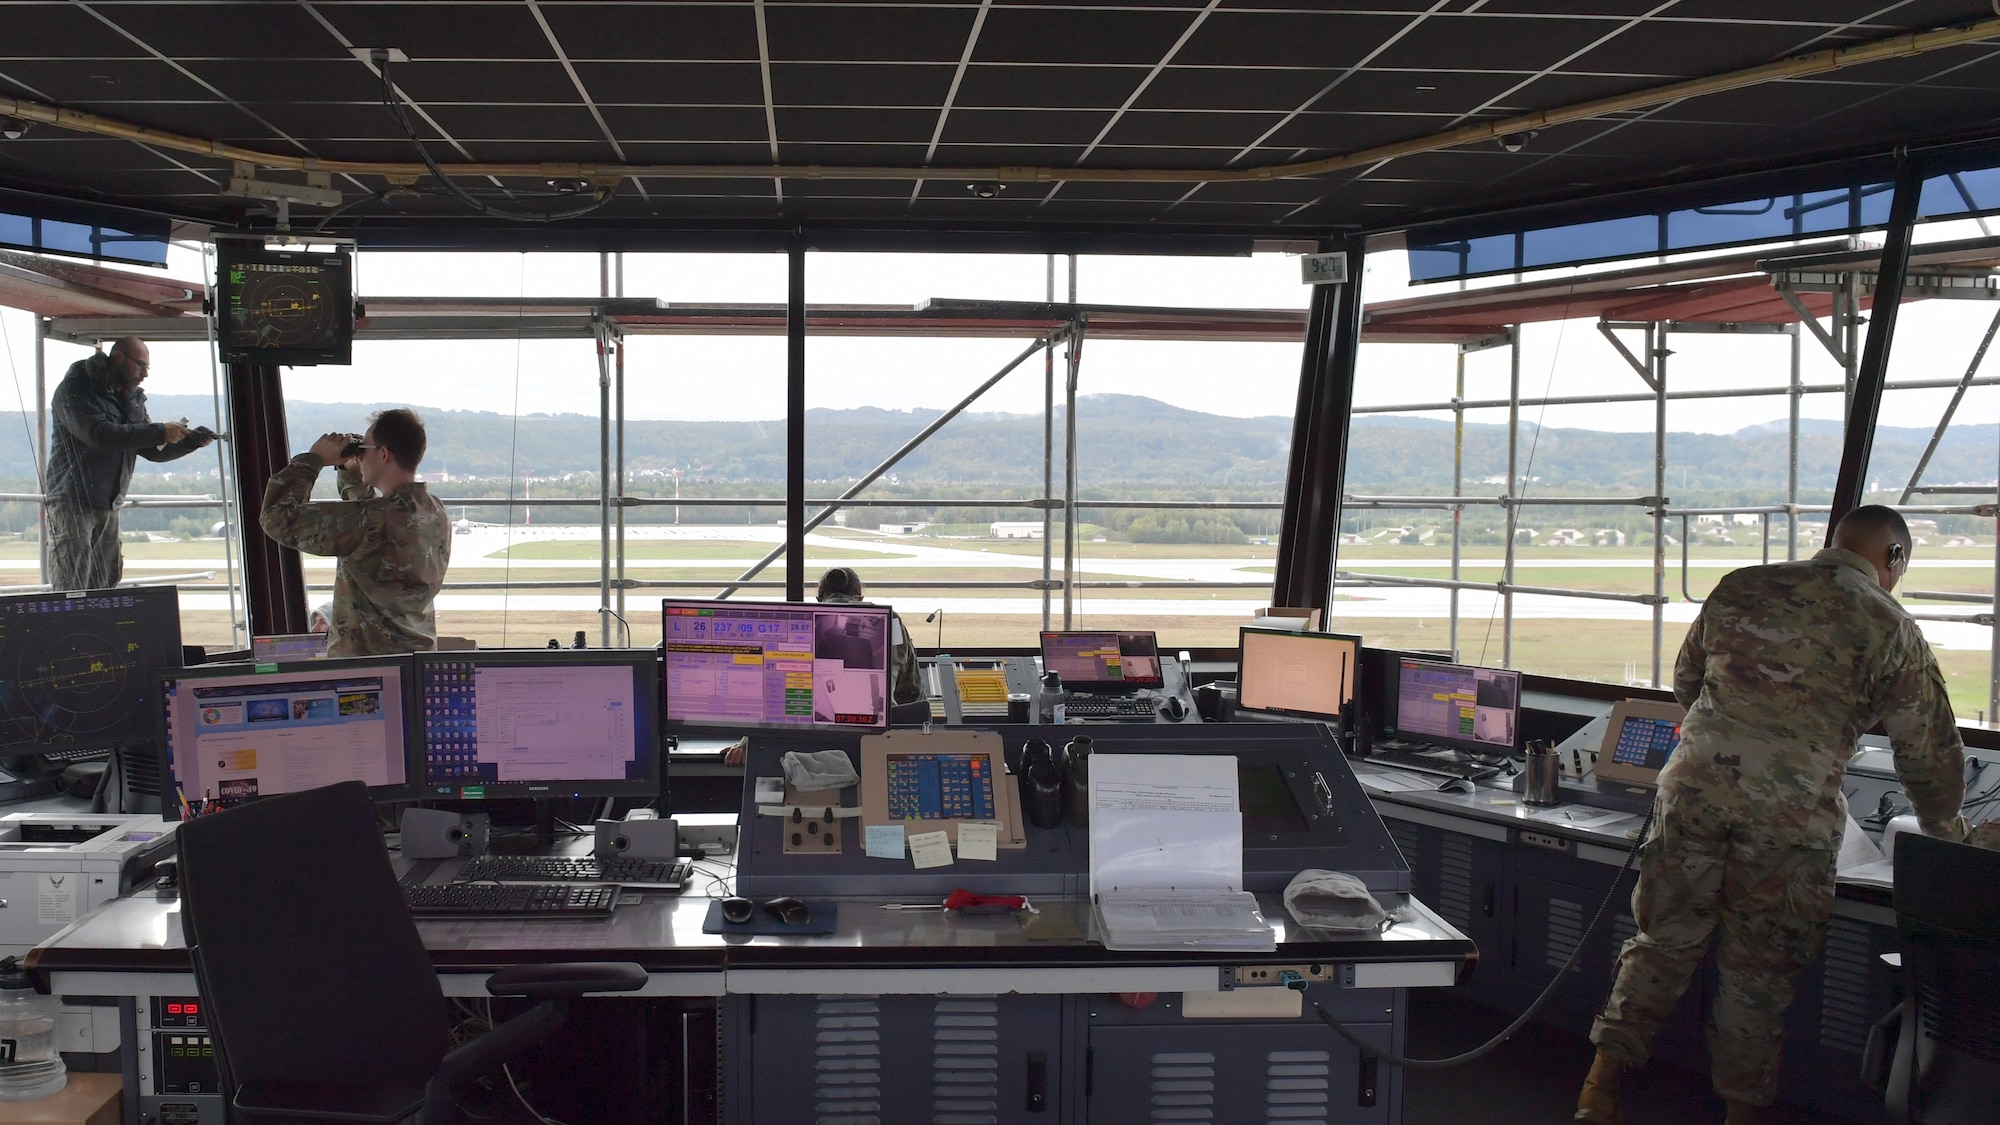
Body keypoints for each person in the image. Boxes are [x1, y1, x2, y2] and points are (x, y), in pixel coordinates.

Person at [1576, 505, 1969, 1125]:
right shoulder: (1890, 625)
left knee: (1660, 943)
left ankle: (1599, 1093)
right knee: (1756, 973)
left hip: (1693, 792)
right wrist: (1952, 842)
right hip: (1789, 818)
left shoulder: (1741, 586)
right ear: (1893, 559)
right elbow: (1929, 756)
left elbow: (1687, 686)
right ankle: (1739, 1113)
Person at [259, 409, 450, 657]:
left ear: (383, 454)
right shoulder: (435, 511)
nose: (362, 455)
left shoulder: (370, 519)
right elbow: (372, 521)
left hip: (368, 669)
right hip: (417, 659)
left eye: (366, 449)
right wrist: (352, 470)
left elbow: (276, 517)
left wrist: (312, 460)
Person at [43, 337, 213, 590]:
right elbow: (99, 435)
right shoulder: (74, 390)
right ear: (119, 358)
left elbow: (151, 450)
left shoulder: (129, 399)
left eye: (147, 368)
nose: (144, 374)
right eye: (141, 365)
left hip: (108, 505)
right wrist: (159, 432)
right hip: (72, 503)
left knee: (105, 586)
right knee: (72, 589)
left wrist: (190, 442)